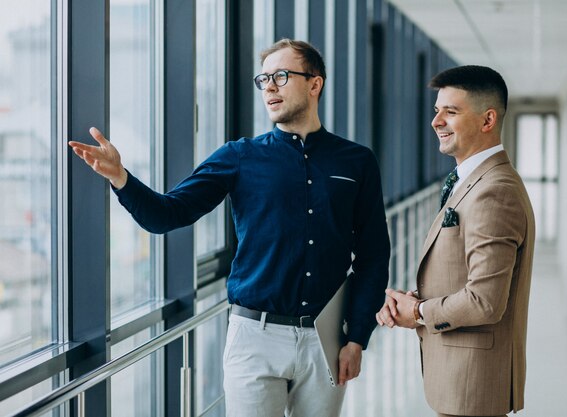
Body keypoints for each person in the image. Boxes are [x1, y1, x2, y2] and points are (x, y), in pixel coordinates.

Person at [69, 39, 390, 417]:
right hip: (255, 337)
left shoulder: (357, 162)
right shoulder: (239, 157)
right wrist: (121, 178)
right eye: (264, 79)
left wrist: (357, 339)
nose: (269, 87)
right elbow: (166, 214)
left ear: (314, 83)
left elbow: (373, 255)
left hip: (326, 338)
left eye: (281, 76)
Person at [376, 65, 535, 417]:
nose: (436, 121)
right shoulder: (471, 181)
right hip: (459, 377)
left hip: (472, 386)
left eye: (451, 111)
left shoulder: (495, 192)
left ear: (487, 120)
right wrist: (413, 300)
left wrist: (417, 313)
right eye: (437, 110)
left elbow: (484, 301)